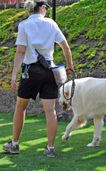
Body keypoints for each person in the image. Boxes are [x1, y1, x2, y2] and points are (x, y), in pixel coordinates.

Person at [3, 0, 74, 157]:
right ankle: (50, 148)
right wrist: (70, 65)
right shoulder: (51, 24)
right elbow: (65, 46)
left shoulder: (24, 25)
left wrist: (14, 74)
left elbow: (21, 51)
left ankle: (14, 144)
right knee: (50, 111)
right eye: (46, 8)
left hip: (30, 71)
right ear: (41, 8)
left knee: (21, 107)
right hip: (50, 70)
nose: (47, 11)